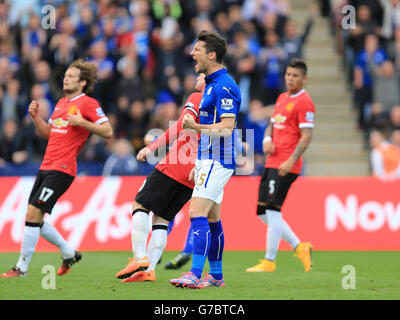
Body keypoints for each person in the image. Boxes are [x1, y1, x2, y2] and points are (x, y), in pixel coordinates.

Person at [0, 59, 113, 278]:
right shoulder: (61, 103)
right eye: (65, 75)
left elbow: (107, 131)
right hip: (46, 166)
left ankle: (21, 268)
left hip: (62, 169)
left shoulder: (88, 103)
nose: (65, 78)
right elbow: (48, 133)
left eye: (71, 76)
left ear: (82, 83)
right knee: (35, 217)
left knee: (33, 212)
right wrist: (35, 117)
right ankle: (69, 252)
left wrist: (83, 123)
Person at [115, 73, 205, 283]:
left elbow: (181, 125)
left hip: (175, 166)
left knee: (140, 204)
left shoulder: (197, 97)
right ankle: (149, 270)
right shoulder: (220, 103)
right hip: (196, 173)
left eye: (201, 74)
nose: (196, 75)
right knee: (162, 219)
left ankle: (139, 259)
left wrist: (152, 147)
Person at [170, 30, 241, 289]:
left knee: (195, 212)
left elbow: (227, 127)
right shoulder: (212, 84)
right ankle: (217, 276)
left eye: (197, 49)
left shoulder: (224, 86)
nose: (192, 53)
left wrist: (195, 127)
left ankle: (195, 274)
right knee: (212, 219)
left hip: (218, 159)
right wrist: (199, 162)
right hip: (209, 159)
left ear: (212, 55)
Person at [246, 59, 314, 273]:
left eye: (295, 76)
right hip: (272, 161)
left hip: (286, 164)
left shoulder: (305, 102)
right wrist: (267, 140)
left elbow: (307, 136)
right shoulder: (282, 98)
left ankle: (269, 260)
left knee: (273, 211)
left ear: (304, 79)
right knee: (262, 212)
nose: (290, 78)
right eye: (288, 74)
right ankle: (300, 246)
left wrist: (291, 160)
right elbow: (272, 126)